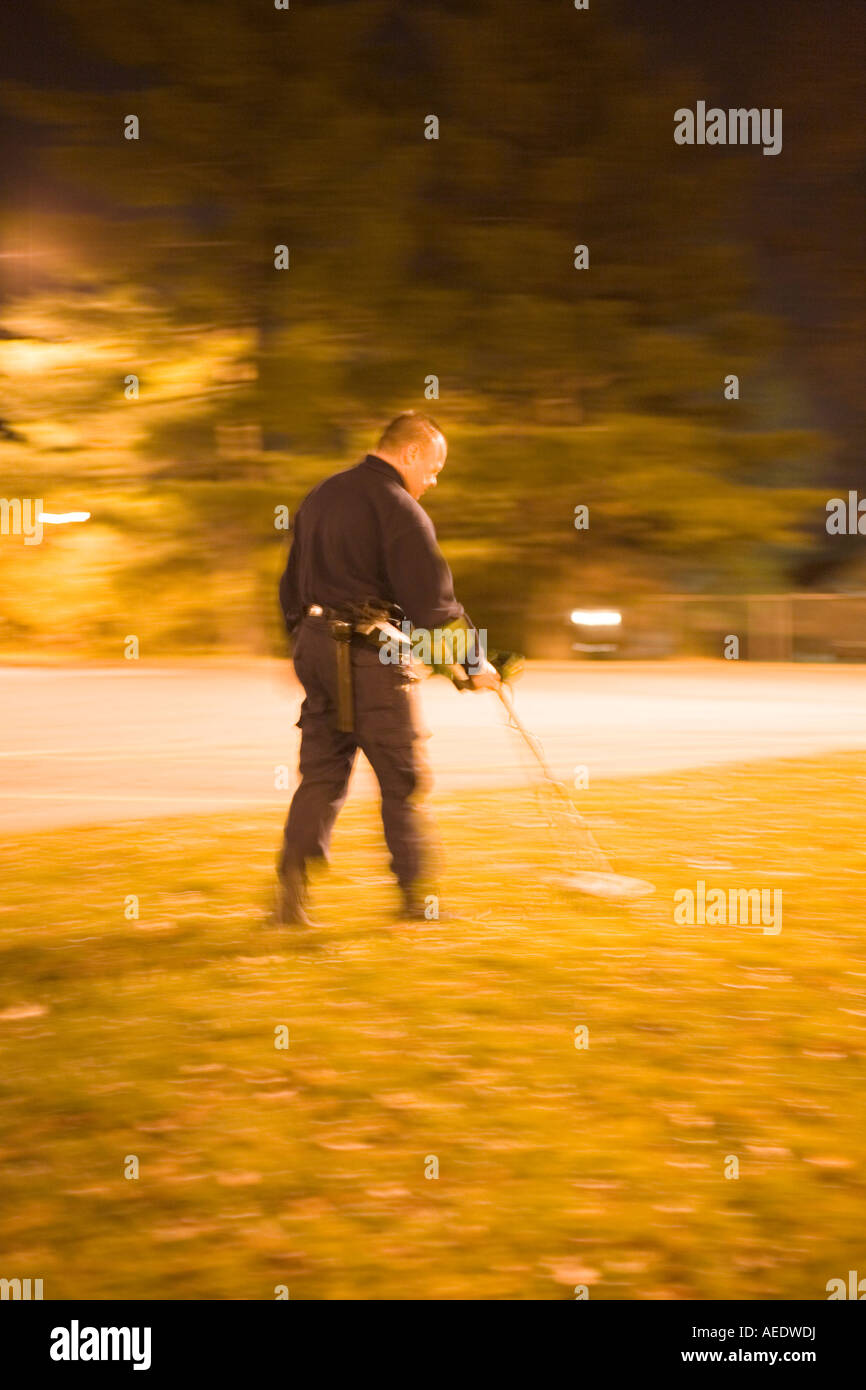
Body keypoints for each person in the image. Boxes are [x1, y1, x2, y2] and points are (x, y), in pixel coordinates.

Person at [275, 411, 513, 927]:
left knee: (321, 775)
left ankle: (290, 898)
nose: (434, 480)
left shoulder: (321, 495)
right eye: (434, 468)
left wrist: (304, 638)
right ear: (411, 453)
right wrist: (475, 663)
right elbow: (433, 605)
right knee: (401, 779)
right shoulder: (400, 508)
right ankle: (417, 902)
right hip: (370, 656)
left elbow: (290, 585)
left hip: (315, 647)